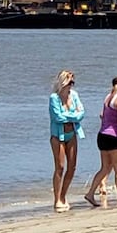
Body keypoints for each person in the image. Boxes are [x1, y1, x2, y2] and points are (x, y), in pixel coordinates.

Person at [83, 76, 117, 207]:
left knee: (105, 168)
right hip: (114, 136)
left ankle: (90, 193)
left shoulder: (108, 97)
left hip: (102, 135)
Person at [48, 70, 84, 212]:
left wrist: (71, 116)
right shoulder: (54, 98)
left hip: (72, 133)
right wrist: (72, 116)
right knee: (60, 167)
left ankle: (63, 195)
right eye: (69, 83)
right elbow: (57, 117)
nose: (71, 86)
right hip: (58, 136)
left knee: (72, 167)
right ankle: (57, 199)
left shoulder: (74, 96)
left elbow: (81, 113)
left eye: (73, 83)